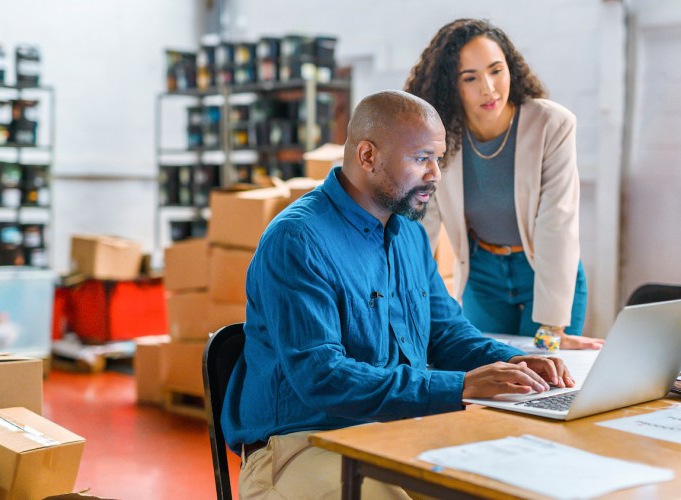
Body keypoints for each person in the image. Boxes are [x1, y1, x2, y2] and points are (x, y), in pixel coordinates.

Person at [221, 90, 574, 499]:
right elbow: (323, 377)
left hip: (392, 431)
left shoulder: (408, 235)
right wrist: (459, 387)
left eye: (438, 159)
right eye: (421, 158)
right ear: (368, 156)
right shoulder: (297, 240)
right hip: (300, 445)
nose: (435, 174)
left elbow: (446, 333)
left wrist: (513, 362)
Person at [405, 19, 604, 350]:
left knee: (543, 380)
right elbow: (420, 226)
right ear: (450, 85)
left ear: (511, 67)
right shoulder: (441, 136)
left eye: (496, 70)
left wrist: (551, 328)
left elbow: (558, 223)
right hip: (483, 276)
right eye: (470, 78)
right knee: (490, 374)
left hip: (543, 269)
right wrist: (407, 305)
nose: (489, 88)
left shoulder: (551, 125)